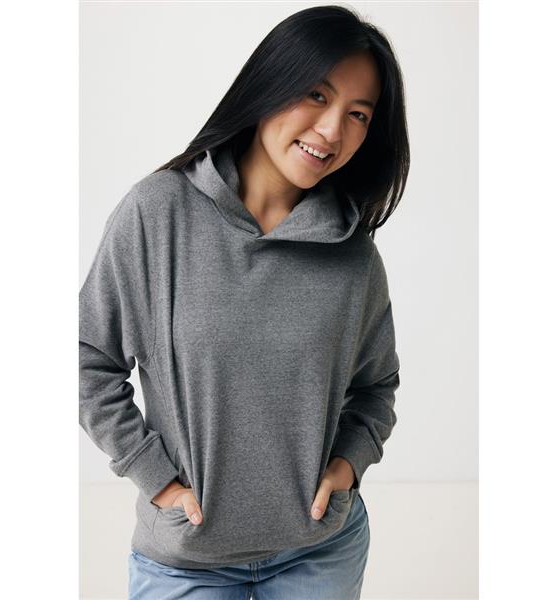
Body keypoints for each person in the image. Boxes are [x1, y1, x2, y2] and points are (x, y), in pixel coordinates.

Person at [79, 4, 409, 599]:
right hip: (186, 558)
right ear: (269, 84)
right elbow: (87, 360)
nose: (331, 129)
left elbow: (376, 385)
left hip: (320, 553)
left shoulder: (353, 253)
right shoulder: (157, 213)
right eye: (316, 94)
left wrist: (348, 464)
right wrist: (156, 479)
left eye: (358, 114)